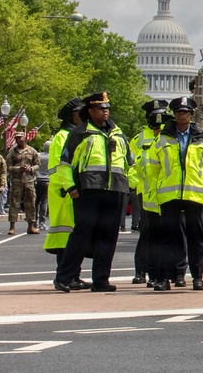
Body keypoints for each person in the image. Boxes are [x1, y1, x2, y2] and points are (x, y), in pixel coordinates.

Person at [54, 92, 132, 292]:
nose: (105, 111)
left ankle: (101, 280)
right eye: (100, 108)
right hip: (87, 191)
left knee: (108, 236)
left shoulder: (119, 134)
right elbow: (64, 164)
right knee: (82, 234)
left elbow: (129, 164)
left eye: (107, 107)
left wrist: (130, 186)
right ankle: (64, 277)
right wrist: (70, 187)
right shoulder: (80, 133)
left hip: (115, 190)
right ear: (90, 111)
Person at [148, 96, 203, 291]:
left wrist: (198, 181)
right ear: (174, 114)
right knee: (168, 237)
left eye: (185, 112)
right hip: (169, 194)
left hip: (194, 193)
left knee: (197, 237)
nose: (181, 115)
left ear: (191, 115)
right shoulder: (163, 137)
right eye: (178, 112)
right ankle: (166, 278)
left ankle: (197, 277)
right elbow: (153, 165)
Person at [44, 98, 90, 289]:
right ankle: (65, 276)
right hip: (63, 193)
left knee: (74, 237)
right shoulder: (62, 137)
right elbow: (58, 167)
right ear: (73, 116)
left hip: (72, 191)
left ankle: (74, 275)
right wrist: (68, 187)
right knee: (65, 237)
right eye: (81, 113)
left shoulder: (76, 134)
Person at [128, 99, 170, 286]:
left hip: (168, 192)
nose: (158, 122)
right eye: (154, 118)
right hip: (146, 193)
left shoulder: (170, 137)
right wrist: (137, 186)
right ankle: (141, 271)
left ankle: (166, 273)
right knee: (147, 235)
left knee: (167, 234)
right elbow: (131, 165)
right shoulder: (138, 140)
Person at [6, 131, 40, 235]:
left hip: (29, 181)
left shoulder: (32, 151)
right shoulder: (12, 152)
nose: (18, 140)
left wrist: (30, 169)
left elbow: (37, 164)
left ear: (24, 138)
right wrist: (19, 168)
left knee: (30, 203)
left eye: (20, 138)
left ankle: (31, 226)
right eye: (16, 139)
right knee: (14, 203)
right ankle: (12, 227)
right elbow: (9, 167)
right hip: (17, 181)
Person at [35, 141, 51, 230]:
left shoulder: (37, 155)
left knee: (36, 202)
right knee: (44, 202)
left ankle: (34, 222)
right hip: (46, 181)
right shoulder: (51, 157)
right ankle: (42, 222)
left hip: (37, 180)